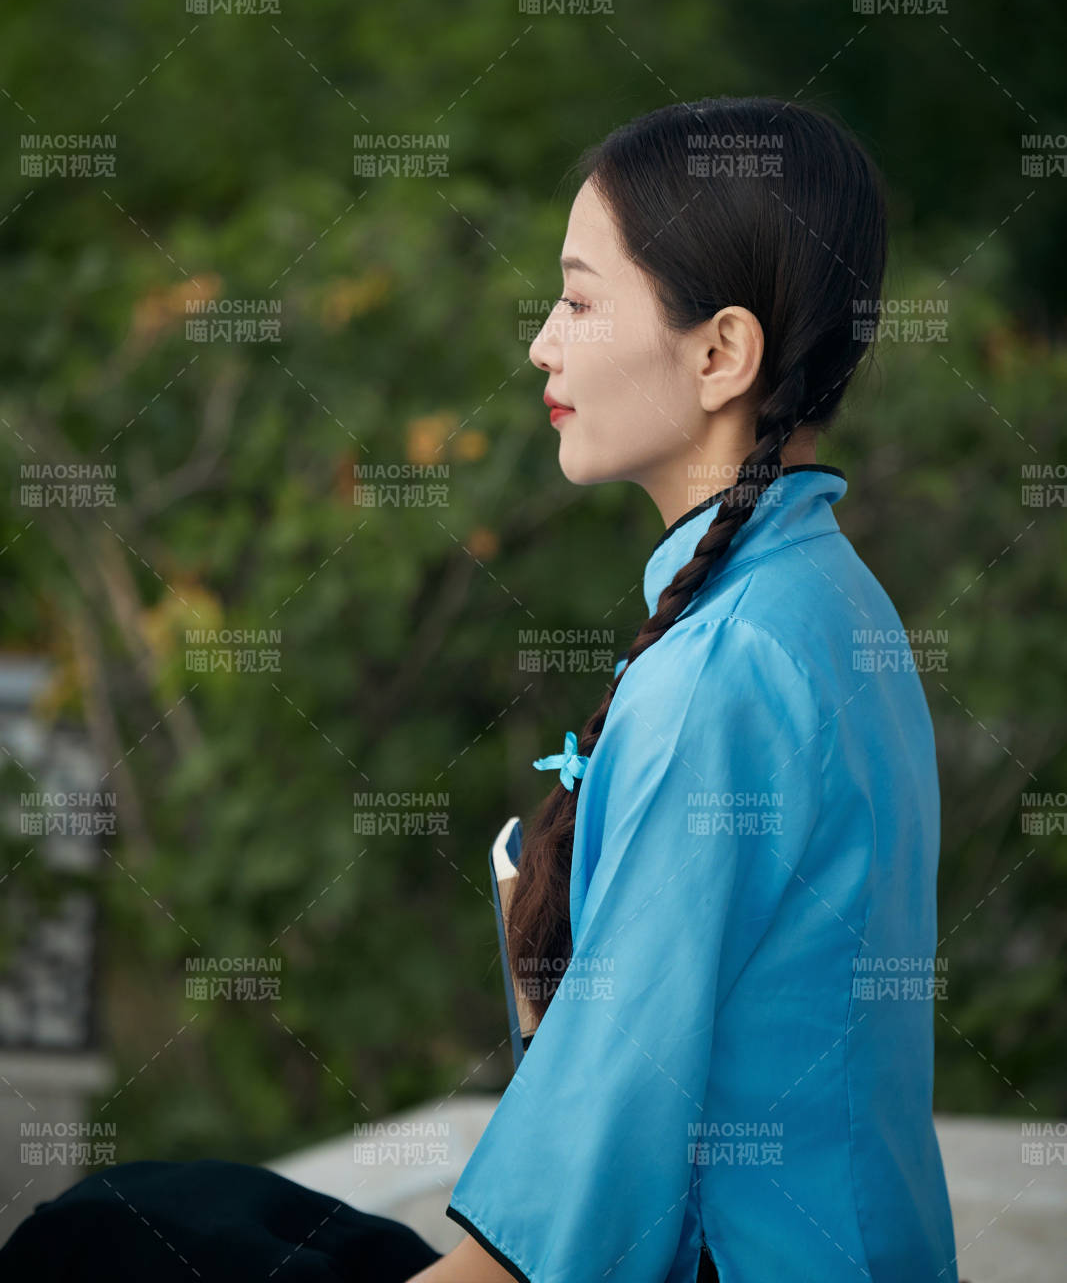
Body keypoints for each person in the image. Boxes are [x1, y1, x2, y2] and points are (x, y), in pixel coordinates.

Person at [0, 96, 961, 1283]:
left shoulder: (719, 673)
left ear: (720, 352)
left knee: (95, 1246)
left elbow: (569, 1234)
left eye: (577, 297)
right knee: (171, 1208)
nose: (540, 346)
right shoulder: (830, 605)